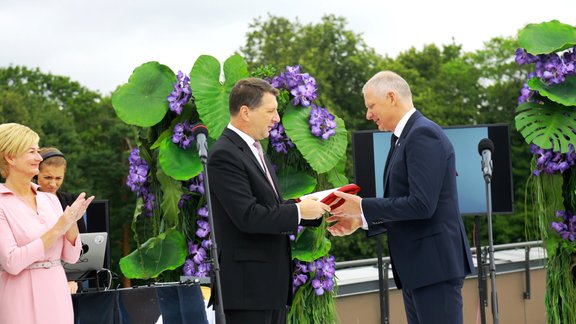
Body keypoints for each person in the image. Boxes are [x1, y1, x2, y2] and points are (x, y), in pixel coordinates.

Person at [327, 71, 475, 324]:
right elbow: (409, 207)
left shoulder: (422, 134)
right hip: (420, 270)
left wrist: (362, 206)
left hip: (434, 268)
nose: (368, 114)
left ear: (392, 97)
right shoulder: (402, 138)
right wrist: (361, 220)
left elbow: (422, 205)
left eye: (371, 106)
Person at [207, 77, 331, 324]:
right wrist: (297, 212)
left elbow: (270, 207)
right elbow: (248, 216)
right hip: (247, 292)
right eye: (270, 111)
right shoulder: (224, 154)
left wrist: (310, 206)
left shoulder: (253, 148)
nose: (276, 118)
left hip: (267, 290)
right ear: (245, 112)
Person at [0, 123, 94, 324]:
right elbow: (12, 262)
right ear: (10, 157)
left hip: (56, 293)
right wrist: (58, 227)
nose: (39, 158)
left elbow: (72, 256)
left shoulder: (50, 200)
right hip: (18, 298)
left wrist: (72, 221)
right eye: (32, 151)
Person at [37, 147, 87, 294]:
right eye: (47, 178)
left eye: (58, 178)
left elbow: (81, 242)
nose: (53, 184)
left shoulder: (70, 200)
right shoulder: (26, 202)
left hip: (72, 276)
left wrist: (73, 277)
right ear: (35, 174)